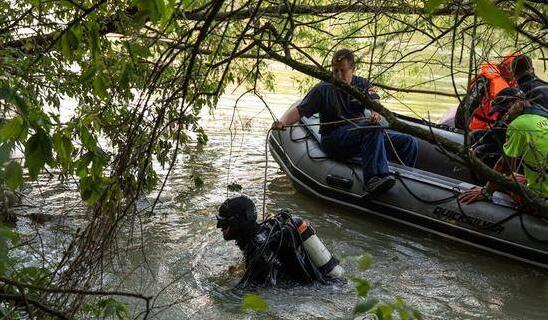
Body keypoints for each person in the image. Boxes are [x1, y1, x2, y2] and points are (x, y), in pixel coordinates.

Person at [272, 49, 418, 193]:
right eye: (335, 71)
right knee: (370, 128)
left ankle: (403, 184)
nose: (339, 75)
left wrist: (375, 113)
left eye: (343, 71)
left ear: (353, 69)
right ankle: (373, 180)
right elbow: (300, 110)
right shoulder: (323, 89)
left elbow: (376, 103)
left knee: (408, 142)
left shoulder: (362, 84)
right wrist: (282, 122)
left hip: (359, 136)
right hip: (334, 139)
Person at [216, 195, 343, 288]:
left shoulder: (260, 251)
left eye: (223, 222)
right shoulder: (265, 232)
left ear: (239, 222)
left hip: (322, 291)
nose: (218, 226)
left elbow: (253, 291)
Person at [459, 93, 548, 204]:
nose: (504, 117)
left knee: (508, 180)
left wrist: (486, 192)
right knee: (518, 177)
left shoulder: (517, 126)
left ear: (516, 103)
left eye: (504, 112)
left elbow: (504, 166)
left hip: (541, 198)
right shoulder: (544, 114)